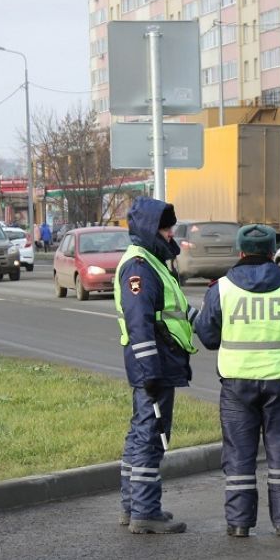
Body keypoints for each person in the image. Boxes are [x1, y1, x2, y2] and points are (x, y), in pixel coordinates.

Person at [193, 224, 280, 537]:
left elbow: (208, 337)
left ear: (240, 252)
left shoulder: (221, 289)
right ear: (271, 252)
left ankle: (239, 524)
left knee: (239, 455)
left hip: (237, 385)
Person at [113, 197, 198, 534]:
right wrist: (149, 370)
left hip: (157, 363)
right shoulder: (139, 266)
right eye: (165, 226)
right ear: (151, 228)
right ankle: (145, 512)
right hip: (154, 365)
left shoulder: (151, 261)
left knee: (140, 433)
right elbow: (139, 322)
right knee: (151, 435)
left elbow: (173, 309)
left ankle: (133, 506)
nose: (170, 232)